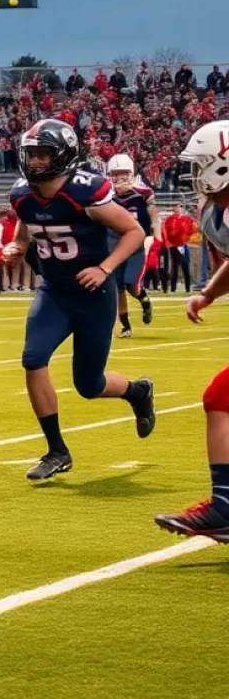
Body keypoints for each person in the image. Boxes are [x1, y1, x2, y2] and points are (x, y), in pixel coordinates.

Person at [3, 119, 155, 481]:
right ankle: (57, 450)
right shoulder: (22, 194)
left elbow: (134, 232)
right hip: (54, 291)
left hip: (92, 295)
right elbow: (24, 233)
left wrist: (105, 268)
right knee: (33, 358)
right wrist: (16, 247)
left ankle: (138, 391)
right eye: (32, 155)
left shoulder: (84, 191)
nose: (36, 162)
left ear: (64, 156)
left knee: (89, 385)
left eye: (43, 155)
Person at [154, 122, 229, 541]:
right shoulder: (217, 211)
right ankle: (224, 505)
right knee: (221, 396)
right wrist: (208, 294)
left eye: (202, 163)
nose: (195, 171)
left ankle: (224, 506)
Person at [106, 154, 159, 338]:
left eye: (124, 174)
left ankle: (145, 302)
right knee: (117, 288)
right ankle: (126, 326)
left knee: (131, 285)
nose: (120, 179)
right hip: (115, 245)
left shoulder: (142, 193)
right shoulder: (105, 195)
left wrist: (156, 237)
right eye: (116, 174)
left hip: (136, 246)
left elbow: (154, 217)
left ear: (131, 174)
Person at [162, 203, 196, 293]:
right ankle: (173, 288)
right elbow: (167, 232)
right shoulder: (170, 220)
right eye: (176, 208)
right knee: (175, 267)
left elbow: (193, 230)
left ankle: (187, 288)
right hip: (174, 245)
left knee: (185, 267)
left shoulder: (186, 219)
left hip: (183, 244)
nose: (177, 209)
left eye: (179, 207)